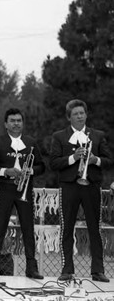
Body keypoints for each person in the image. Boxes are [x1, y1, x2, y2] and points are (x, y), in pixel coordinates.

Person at [50, 99, 112, 283]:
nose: (79, 116)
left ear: (86, 114)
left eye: (82, 113)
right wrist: (72, 158)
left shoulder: (98, 135)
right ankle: (67, 269)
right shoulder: (59, 136)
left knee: (95, 228)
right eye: (75, 113)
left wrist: (95, 160)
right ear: (69, 117)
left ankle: (98, 270)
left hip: (91, 185)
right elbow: (53, 163)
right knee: (66, 228)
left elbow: (109, 161)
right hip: (69, 186)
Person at [0, 108, 45, 279]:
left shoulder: (31, 142)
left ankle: (31, 268)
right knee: (0, 228)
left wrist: (30, 171)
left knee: (28, 229)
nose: (16, 123)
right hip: (5, 188)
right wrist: (4, 171)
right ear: (6, 124)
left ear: (22, 123)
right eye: (12, 120)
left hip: (25, 189)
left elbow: (42, 166)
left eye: (19, 120)